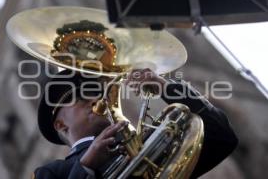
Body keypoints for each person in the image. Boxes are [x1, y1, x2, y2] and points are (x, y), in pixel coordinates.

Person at [33, 68, 238, 179]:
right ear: (60, 125)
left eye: (95, 91)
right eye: (79, 96)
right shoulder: (52, 173)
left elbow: (222, 138)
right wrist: (86, 166)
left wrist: (165, 87)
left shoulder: (150, 145)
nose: (96, 98)